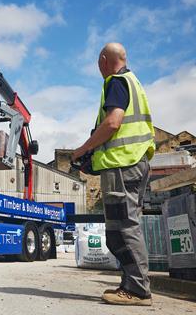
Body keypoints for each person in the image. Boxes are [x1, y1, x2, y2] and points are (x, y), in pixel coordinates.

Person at [71, 43, 155, 306]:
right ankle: (133, 284)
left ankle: (138, 290)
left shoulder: (115, 81)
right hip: (134, 163)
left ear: (104, 60)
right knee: (127, 227)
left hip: (122, 167)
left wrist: (82, 149)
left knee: (121, 230)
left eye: (98, 63)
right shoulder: (134, 82)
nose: (98, 68)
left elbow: (113, 122)